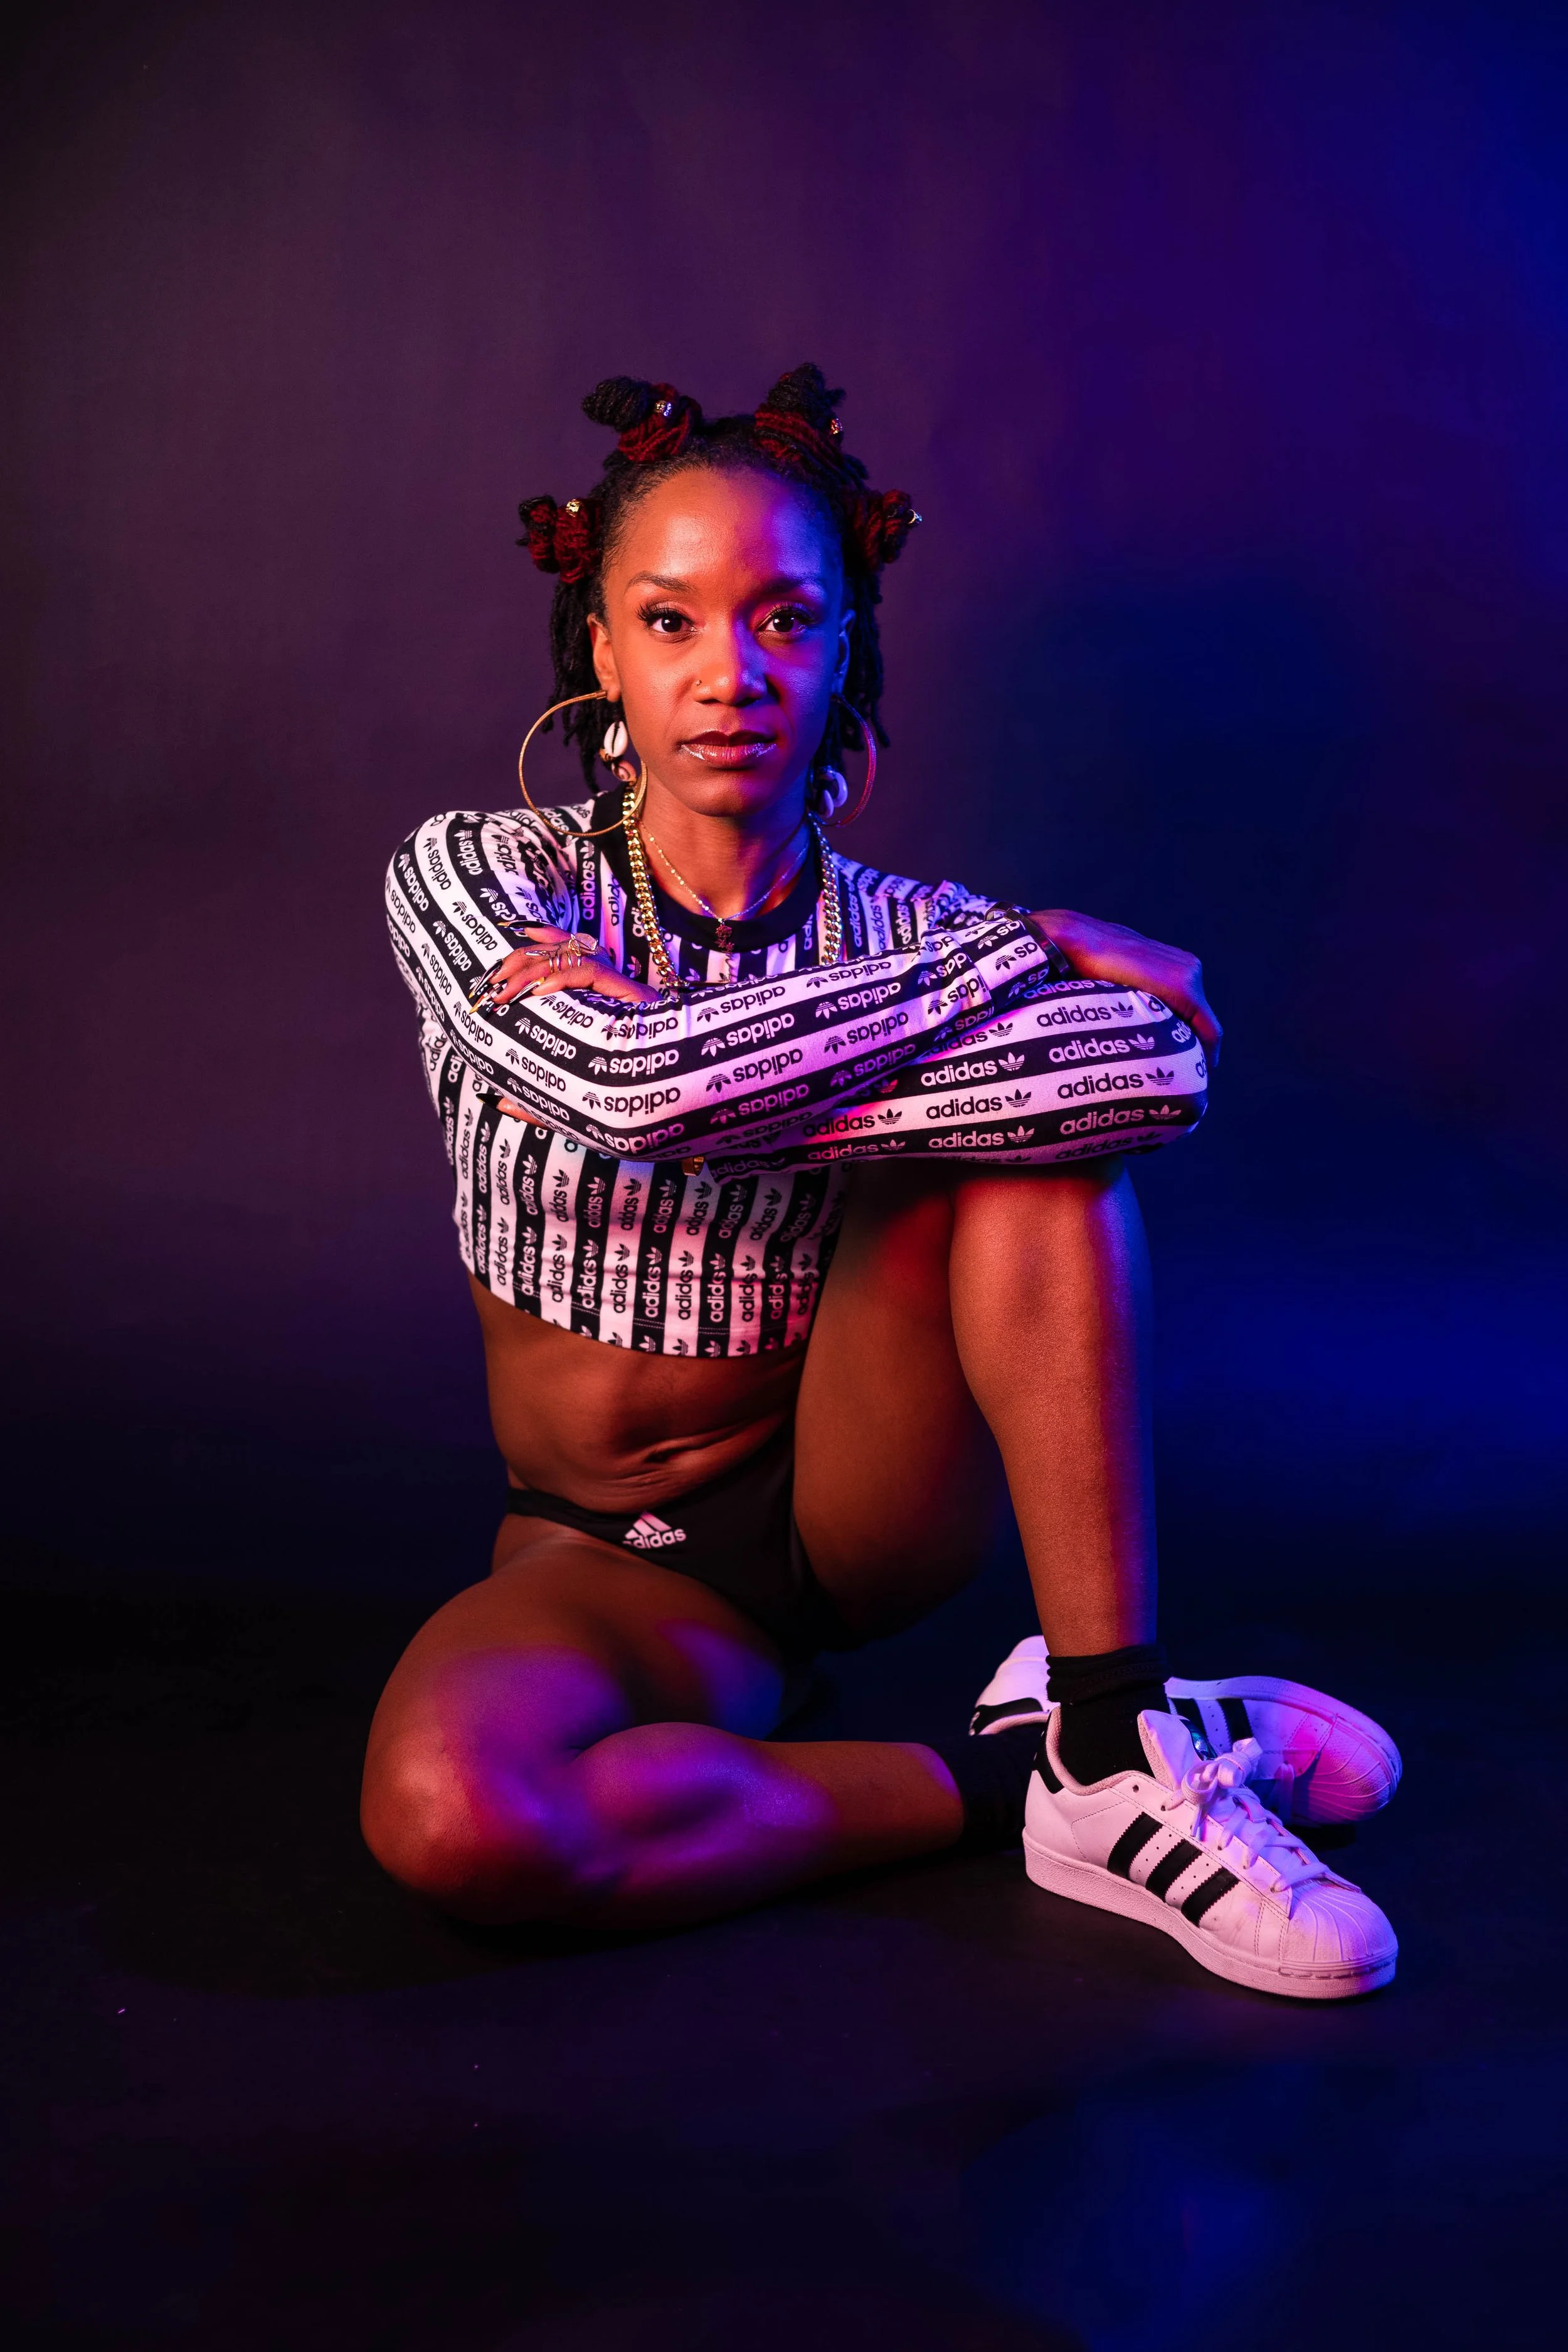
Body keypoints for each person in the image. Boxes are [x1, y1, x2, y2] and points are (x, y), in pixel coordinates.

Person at [365, 366, 1399, 2000]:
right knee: (463, 1821)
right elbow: (626, 1088)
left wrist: (747, 1060)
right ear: (600, 652)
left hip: (861, 1498)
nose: (731, 675)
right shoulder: (485, 873)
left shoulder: (917, 927)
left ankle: (1113, 1709)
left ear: (846, 643)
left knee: (1037, 1161)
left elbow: (1154, 1072)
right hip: (603, 1554)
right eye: (672, 620)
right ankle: (1040, 1781)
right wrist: (1002, 967)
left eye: (786, 619)